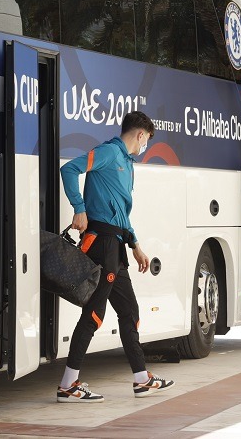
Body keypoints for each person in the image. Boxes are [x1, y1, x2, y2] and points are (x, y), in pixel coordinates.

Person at [55, 111, 174, 402]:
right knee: (95, 313)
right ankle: (68, 384)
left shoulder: (127, 164)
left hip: (117, 245)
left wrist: (134, 243)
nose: (144, 146)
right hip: (102, 243)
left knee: (129, 310)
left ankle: (141, 379)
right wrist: (79, 207)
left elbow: (121, 211)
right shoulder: (108, 152)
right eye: (146, 140)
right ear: (141, 135)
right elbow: (69, 169)